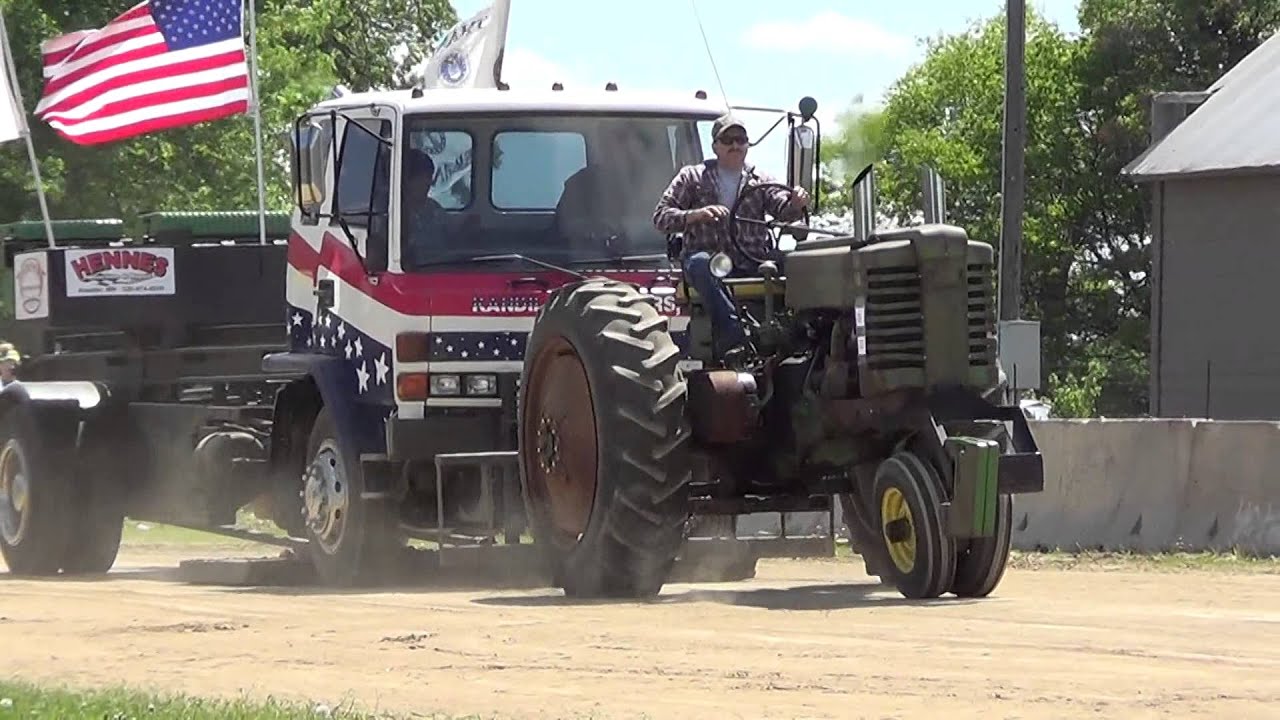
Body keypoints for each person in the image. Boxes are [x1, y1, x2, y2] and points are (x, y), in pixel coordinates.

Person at [652, 113, 810, 358]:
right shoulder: (692, 177)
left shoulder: (761, 180)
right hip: (710, 262)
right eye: (728, 140)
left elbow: (784, 210)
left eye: (741, 140)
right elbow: (661, 217)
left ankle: (802, 337)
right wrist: (696, 215)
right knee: (699, 264)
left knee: (799, 263)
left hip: (753, 261)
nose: (735, 145)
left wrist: (797, 202)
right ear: (715, 146)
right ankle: (734, 338)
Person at [400, 149, 448, 267]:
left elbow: (448, 237)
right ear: (407, 180)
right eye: (421, 178)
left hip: (440, 267)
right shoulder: (394, 214)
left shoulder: (435, 209)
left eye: (429, 177)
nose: (428, 183)